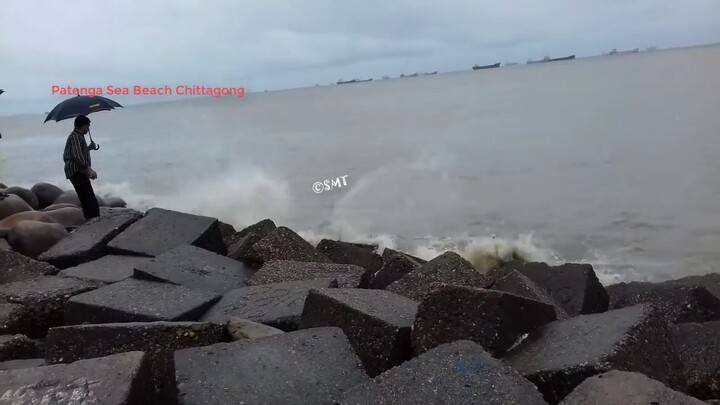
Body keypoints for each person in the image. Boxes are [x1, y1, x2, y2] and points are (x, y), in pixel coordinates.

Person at [63, 115, 100, 219]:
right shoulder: (75, 137)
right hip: (76, 171)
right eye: (88, 126)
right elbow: (77, 156)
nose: (88, 129)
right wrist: (88, 170)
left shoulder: (78, 136)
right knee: (88, 196)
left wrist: (89, 148)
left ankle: (90, 216)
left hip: (78, 171)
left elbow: (79, 152)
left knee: (86, 196)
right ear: (82, 125)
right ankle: (93, 217)